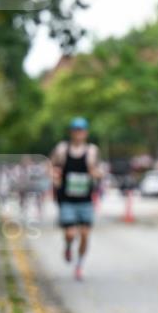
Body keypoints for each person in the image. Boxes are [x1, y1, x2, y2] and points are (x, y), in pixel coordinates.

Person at [51, 117, 103, 281]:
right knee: (71, 234)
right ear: (71, 132)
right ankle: (67, 246)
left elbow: (99, 172)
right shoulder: (62, 149)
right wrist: (54, 176)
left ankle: (79, 265)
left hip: (86, 199)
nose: (78, 133)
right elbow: (50, 165)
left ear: (86, 133)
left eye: (81, 130)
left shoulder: (92, 151)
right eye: (75, 130)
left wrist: (97, 174)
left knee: (85, 235)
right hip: (67, 199)